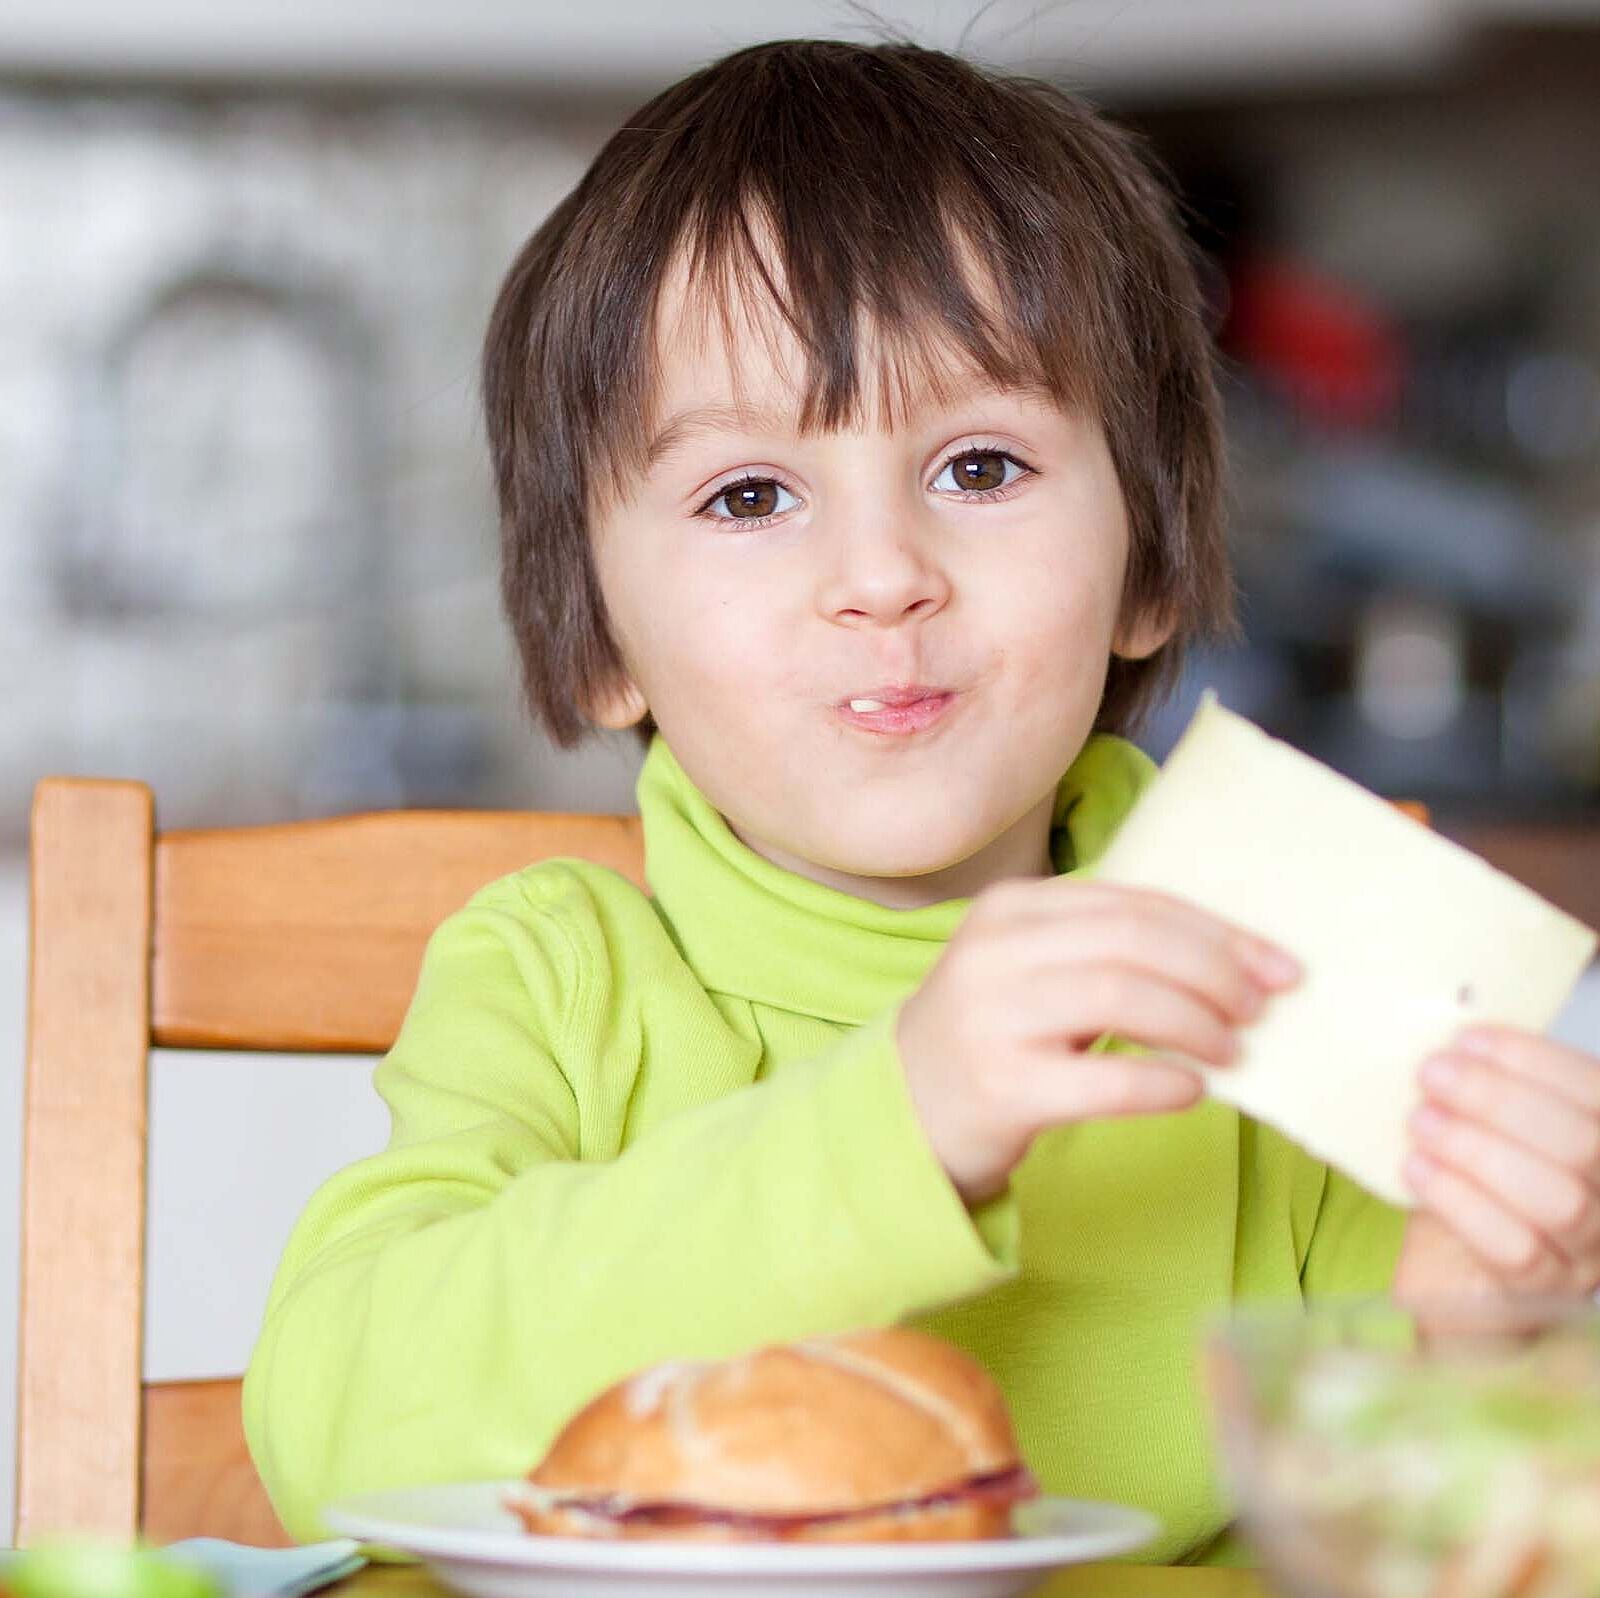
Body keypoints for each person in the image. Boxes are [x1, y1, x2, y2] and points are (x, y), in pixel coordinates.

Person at [242, 34, 1600, 1564]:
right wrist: (903, 1121)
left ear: (1149, 560)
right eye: (749, 495)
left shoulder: (1278, 960)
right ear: (597, 636)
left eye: (979, 466)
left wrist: (1484, 1327)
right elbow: (330, 1431)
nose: (883, 575)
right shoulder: (559, 976)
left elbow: (1446, 1535)